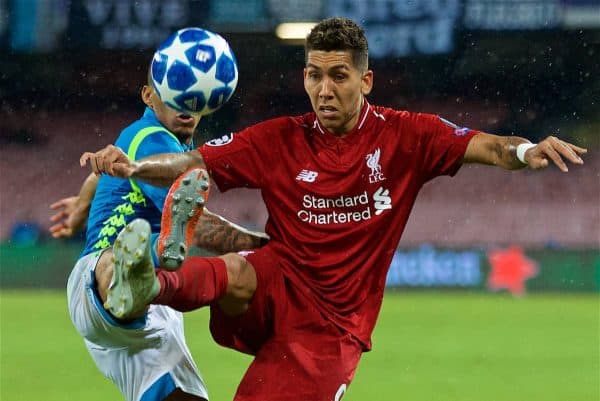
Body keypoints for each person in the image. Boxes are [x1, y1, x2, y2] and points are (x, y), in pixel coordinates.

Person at [81, 17, 587, 401]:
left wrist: (527, 151)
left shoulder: (408, 135)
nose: (324, 89)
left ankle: (159, 280)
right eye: (314, 75)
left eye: (339, 76)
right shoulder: (280, 138)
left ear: (365, 81)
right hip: (280, 281)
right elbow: (193, 160)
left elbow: (493, 148)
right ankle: (149, 286)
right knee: (238, 270)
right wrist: (133, 169)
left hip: (329, 326)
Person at [59, 68, 268, 401]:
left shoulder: (145, 141)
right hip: (99, 283)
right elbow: (200, 228)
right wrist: (263, 245)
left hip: (146, 309)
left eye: (193, 98)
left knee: (182, 396)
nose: (184, 105)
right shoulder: (152, 138)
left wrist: (83, 203)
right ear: (148, 96)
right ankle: (132, 270)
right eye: (173, 95)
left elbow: (105, 172)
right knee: (128, 252)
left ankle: (141, 271)